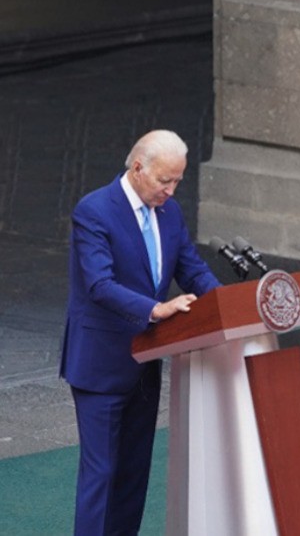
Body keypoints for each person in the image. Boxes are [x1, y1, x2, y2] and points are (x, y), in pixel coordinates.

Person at [60, 129, 221, 533]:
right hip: (100, 363)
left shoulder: (170, 212)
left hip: (145, 363)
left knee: (133, 473)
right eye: (164, 180)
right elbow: (99, 284)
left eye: (177, 181)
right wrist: (155, 309)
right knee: (101, 473)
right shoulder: (94, 211)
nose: (171, 190)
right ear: (137, 169)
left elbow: (192, 270)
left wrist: (227, 304)